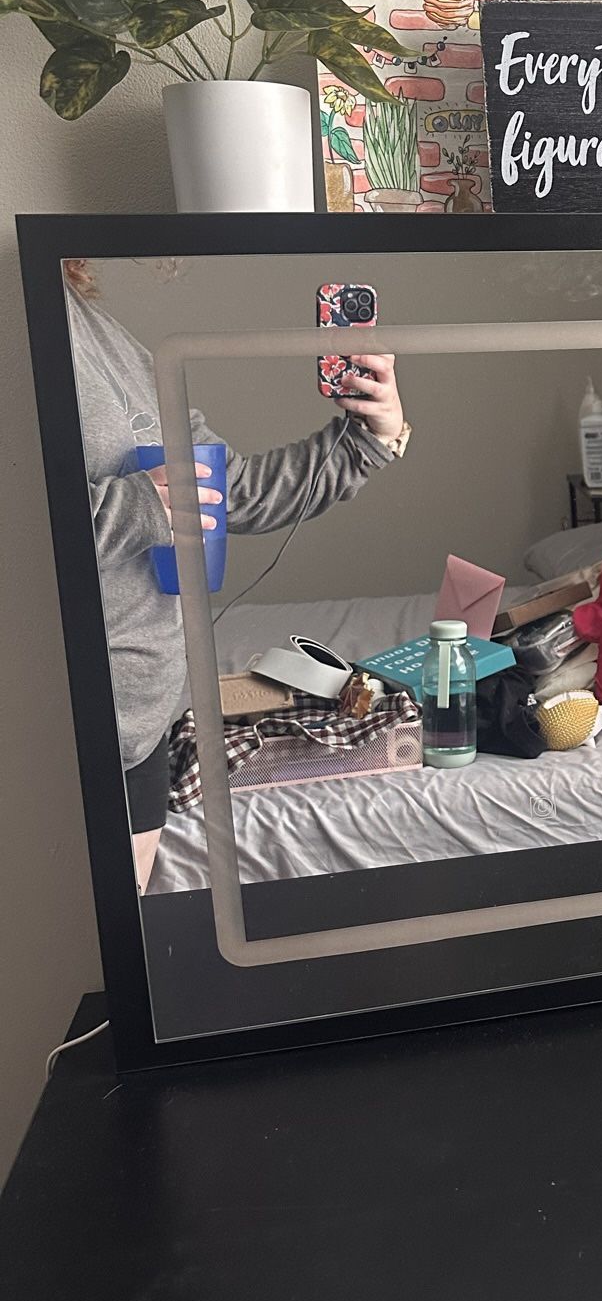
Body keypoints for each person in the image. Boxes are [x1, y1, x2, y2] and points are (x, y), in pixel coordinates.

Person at [63, 261, 411, 891]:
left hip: (142, 730)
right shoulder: (25, 319)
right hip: (69, 736)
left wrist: (368, 439)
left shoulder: (101, 332)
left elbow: (228, 492)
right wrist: (138, 507)